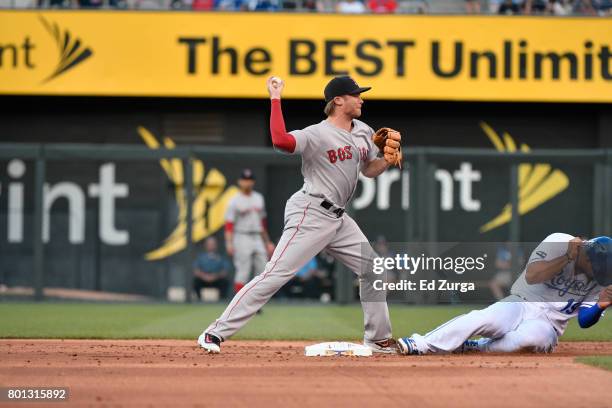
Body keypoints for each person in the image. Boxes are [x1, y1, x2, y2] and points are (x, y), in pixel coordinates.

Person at [197, 75, 402, 354]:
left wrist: (386, 162)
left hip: (339, 219)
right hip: (311, 211)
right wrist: (275, 98)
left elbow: (368, 170)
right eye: (356, 95)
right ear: (338, 100)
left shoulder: (364, 130)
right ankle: (214, 332)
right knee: (275, 274)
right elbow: (281, 141)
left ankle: (378, 340)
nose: (361, 99)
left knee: (373, 270)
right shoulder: (316, 134)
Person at [397, 234, 612, 355]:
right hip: (522, 302)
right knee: (484, 318)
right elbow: (533, 275)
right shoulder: (559, 242)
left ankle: (478, 347)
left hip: (549, 326)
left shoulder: (600, 278)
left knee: (534, 340)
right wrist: (566, 257)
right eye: (596, 268)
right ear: (587, 256)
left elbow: (584, 320)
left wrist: (600, 306)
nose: (598, 274)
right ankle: (422, 344)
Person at [224, 169, 275, 295]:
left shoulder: (259, 198)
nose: (247, 183)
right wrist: (229, 243)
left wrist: (267, 242)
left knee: (263, 270)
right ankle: (240, 305)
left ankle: (254, 303)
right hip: (241, 236)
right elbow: (229, 225)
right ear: (240, 182)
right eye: (245, 180)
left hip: (257, 236)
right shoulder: (234, 200)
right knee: (243, 272)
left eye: (250, 180)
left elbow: (262, 223)